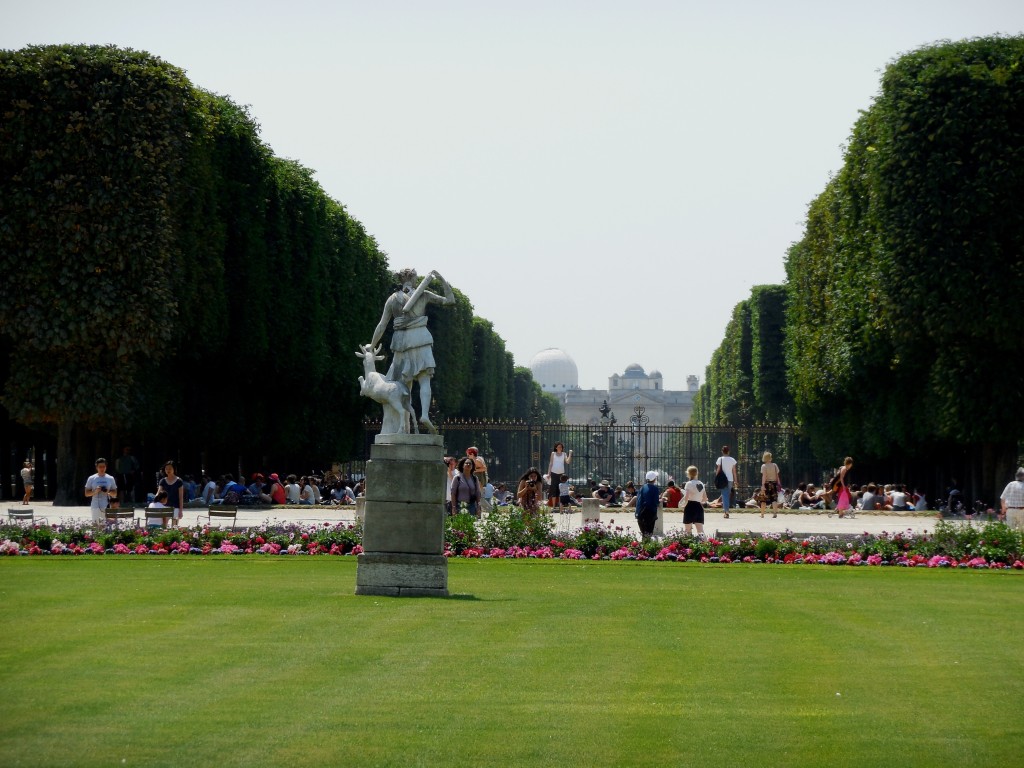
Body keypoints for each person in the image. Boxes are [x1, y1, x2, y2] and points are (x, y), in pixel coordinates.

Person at [369, 268, 455, 433]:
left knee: (401, 385)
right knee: (424, 380)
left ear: (401, 280)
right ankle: (424, 415)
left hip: (400, 342)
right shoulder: (423, 294)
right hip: (420, 338)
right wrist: (442, 279)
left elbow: (382, 325)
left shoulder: (392, 299)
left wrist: (372, 346)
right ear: (414, 279)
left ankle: (402, 428)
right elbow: (450, 300)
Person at [85, 457, 118, 522]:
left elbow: (115, 494)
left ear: (106, 467)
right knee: (96, 524)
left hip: (106, 504)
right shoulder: (91, 478)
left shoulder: (110, 478)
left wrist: (108, 492)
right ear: (96, 467)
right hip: (95, 504)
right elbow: (86, 494)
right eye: (100, 467)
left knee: (106, 524)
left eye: (104, 466)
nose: (102, 468)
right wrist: (95, 491)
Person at [681, 465, 708, 537]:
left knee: (688, 530)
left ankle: (687, 547)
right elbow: (705, 499)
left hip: (690, 506)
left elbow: (686, 497)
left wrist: (684, 505)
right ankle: (707, 545)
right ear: (697, 473)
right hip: (699, 506)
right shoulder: (701, 484)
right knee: (700, 531)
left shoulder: (689, 483)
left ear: (688, 474)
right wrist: (698, 498)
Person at [634, 470, 661, 541]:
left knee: (644, 535)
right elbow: (656, 502)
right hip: (650, 513)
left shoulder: (642, 488)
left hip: (640, 513)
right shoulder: (655, 489)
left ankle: (642, 550)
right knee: (648, 534)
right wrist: (661, 501)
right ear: (654, 479)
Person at [158, 460, 184, 526]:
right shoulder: (162, 481)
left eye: (170, 468)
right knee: (163, 526)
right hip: (164, 506)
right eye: (166, 469)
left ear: (174, 469)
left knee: (174, 527)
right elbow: (158, 493)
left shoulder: (179, 481)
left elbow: (181, 497)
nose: (168, 470)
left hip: (175, 507)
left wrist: (181, 511)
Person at [715, 445, 738, 519]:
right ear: (728, 451)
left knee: (724, 495)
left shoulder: (720, 459)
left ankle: (726, 511)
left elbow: (718, 469)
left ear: (722, 451)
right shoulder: (732, 460)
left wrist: (716, 478)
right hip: (730, 479)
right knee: (726, 495)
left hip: (722, 479)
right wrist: (736, 480)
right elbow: (734, 471)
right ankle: (726, 510)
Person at [547, 442, 573, 507]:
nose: (560, 448)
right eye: (558, 447)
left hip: (561, 474)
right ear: (556, 447)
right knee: (554, 489)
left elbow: (568, 462)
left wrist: (570, 454)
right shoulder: (553, 453)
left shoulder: (564, 454)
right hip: (554, 473)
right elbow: (550, 463)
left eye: (561, 447)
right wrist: (548, 473)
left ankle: (560, 504)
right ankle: (553, 506)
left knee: (561, 489)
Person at [759, 451, 782, 519]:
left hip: (766, 483)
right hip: (774, 483)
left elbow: (764, 476)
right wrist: (779, 483)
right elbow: (777, 475)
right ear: (770, 458)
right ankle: (775, 513)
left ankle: (762, 514)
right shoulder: (775, 465)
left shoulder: (764, 466)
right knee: (774, 499)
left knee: (763, 499)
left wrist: (762, 485)